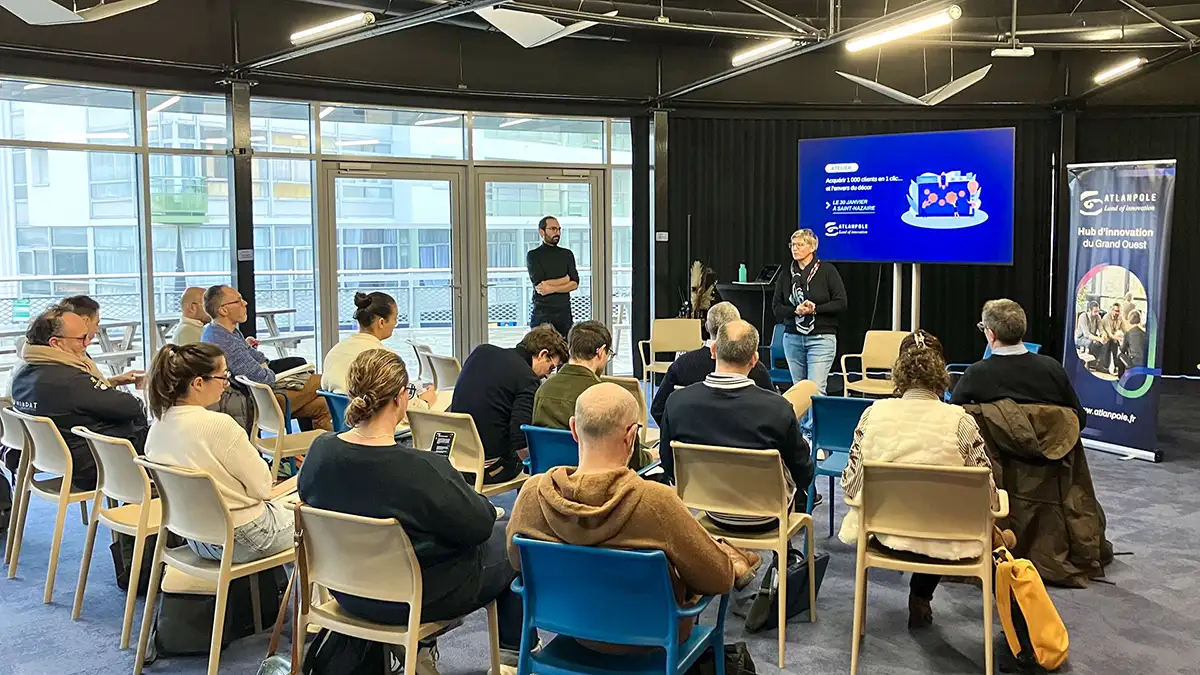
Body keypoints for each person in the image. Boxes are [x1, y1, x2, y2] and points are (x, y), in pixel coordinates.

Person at [299, 349, 525, 674]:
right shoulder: (421, 469)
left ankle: (421, 650)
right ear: (400, 399)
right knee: (510, 538)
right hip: (412, 598)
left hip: (347, 591)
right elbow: (476, 525)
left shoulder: (320, 452)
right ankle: (513, 656)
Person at [507, 383, 738, 652]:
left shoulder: (532, 495)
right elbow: (719, 578)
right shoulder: (657, 502)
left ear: (573, 429)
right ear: (631, 436)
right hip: (652, 642)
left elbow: (516, 560)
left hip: (569, 630)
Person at [838, 330, 999, 628]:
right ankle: (922, 596)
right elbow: (987, 497)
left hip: (883, 536)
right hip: (945, 541)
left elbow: (851, 484)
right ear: (943, 373)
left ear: (897, 371)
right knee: (946, 513)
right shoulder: (961, 421)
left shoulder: (873, 414)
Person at [144, 343, 294, 563]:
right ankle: (320, 597)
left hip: (197, 539)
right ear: (198, 383)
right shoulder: (218, 425)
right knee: (318, 517)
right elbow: (263, 487)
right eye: (223, 376)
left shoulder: (157, 427)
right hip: (245, 538)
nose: (227, 384)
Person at [660, 320, 814, 528]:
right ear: (755, 359)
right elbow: (803, 473)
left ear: (713, 351)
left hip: (708, 510)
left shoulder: (677, 402)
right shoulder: (778, 409)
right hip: (767, 516)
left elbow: (669, 466)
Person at [9, 307, 149, 490]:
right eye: (81, 339)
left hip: (59, 460)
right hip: (93, 466)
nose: (87, 344)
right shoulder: (70, 379)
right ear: (56, 343)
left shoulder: (22, 375)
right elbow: (130, 407)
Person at [200, 285, 331, 431]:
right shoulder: (224, 341)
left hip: (260, 397)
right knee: (324, 380)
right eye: (238, 301)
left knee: (322, 405)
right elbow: (264, 378)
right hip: (256, 404)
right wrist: (267, 370)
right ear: (223, 310)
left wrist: (264, 368)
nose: (245, 303)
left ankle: (316, 451)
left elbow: (258, 356)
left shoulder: (224, 332)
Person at [449, 325, 567, 486]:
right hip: (489, 468)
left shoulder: (482, 352)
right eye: (551, 368)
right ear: (543, 354)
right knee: (538, 463)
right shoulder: (527, 379)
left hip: (454, 460)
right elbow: (520, 441)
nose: (547, 375)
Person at [531, 321, 654, 470]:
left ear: (571, 350)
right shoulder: (605, 397)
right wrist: (650, 456)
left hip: (552, 480)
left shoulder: (543, 390)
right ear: (601, 352)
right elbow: (632, 460)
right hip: (595, 485)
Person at [953, 299, 1086, 427]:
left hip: (993, 450)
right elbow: (1079, 418)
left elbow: (955, 420)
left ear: (991, 334)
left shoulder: (976, 374)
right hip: (1051, 449)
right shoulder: (1052, 369)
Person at [649, 301, 773, 426]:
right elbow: (772, 411)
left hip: (690, 440)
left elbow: (658, 409)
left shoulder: (681, 365)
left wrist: (680, 434)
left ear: (707, 327)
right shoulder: (755, 367)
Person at [771, 228, 846, 436]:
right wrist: (795, 310)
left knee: (816, 389)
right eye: (792, 245)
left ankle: (815, 436)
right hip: (793, 337)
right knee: (799, 390)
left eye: (800, 245)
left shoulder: (827, 271)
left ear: (812, 247)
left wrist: (816, 309)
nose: (795, 249)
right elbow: (776, 308)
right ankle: (799, 436)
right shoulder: (787, 274)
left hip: (821, 338)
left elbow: (841, 303)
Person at [321, 291, 437, 416]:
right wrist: (426, 401)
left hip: (347, 427)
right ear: (381, 322)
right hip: (378, 428)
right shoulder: (385, 359)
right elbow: (405, 411)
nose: (395, 324)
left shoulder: (334, 352)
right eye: (395, 319)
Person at [59, 294, 142, 387]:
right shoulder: (71, 362)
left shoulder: (66, 354)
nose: (97, 330)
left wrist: (115, 380)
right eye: (96, 323)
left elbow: (89, 388)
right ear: (85, 321)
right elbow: (88, 393)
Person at [525, 216, 579, 339]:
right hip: (542, 312)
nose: (557, 233)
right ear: (541, 232)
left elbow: (575, 283)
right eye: (553, 229)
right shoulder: (533, 255)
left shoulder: (567, 254)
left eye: (559, 229)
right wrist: (565, 280)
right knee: (540, 352)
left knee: (565, 353)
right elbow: (540, 285)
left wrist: (551, 288)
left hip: (564, 311)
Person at [1074, 301, 1105, 371]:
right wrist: (1099, 339)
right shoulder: (1083, 317)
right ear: (1089, 310)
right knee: (1092, 343)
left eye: (1098, 311)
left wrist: (1103, 335)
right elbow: (1086, 334)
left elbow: (1101, 329)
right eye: (1095, 311)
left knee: (1103, 343)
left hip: (1092, 337)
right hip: (1081, 338)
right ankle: (1090, 364)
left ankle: (1098, 364)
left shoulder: (1098, 317)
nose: (1097, 313)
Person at [1118, 309, 1147, 378]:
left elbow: (1123, 350)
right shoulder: (1145, 334)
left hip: (1134, 363)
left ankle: (1121, 378)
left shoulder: (1128, 334)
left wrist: (1120, 343)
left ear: (1129, 320)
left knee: (1120, 355)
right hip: (1145, 363)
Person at [1101, 302, 1125, 374]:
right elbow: (1110, 334)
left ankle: (1117, 366)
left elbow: (1124, 329)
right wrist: (1121, 339)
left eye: (1119, 311)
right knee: (1113, 344)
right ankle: (1108, 366)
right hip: (1105, 337)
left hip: (1115, 337)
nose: (1118, 313)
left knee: (1119, 345)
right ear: (1112, 310)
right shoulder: (1106, 317)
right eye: (1116, 311)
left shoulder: (1120, 317)